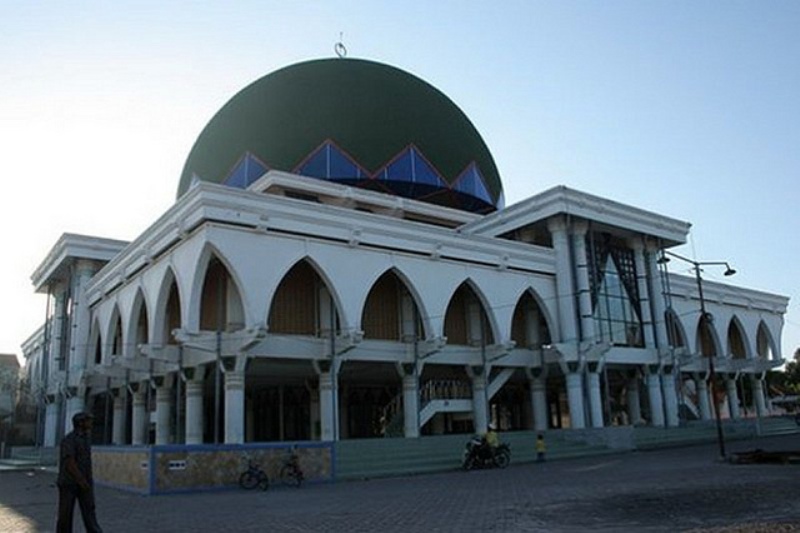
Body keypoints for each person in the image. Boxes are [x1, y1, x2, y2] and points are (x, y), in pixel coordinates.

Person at [56, 412, 103, 533]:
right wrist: (81, 480)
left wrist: (86, 481)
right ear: (81, 423)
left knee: (89, 511)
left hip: (85, 482)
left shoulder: (86, 438)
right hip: (69, 483)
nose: (91, 423)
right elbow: (69, 463)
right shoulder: (69, 439)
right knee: (65, 514)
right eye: (88, 420)